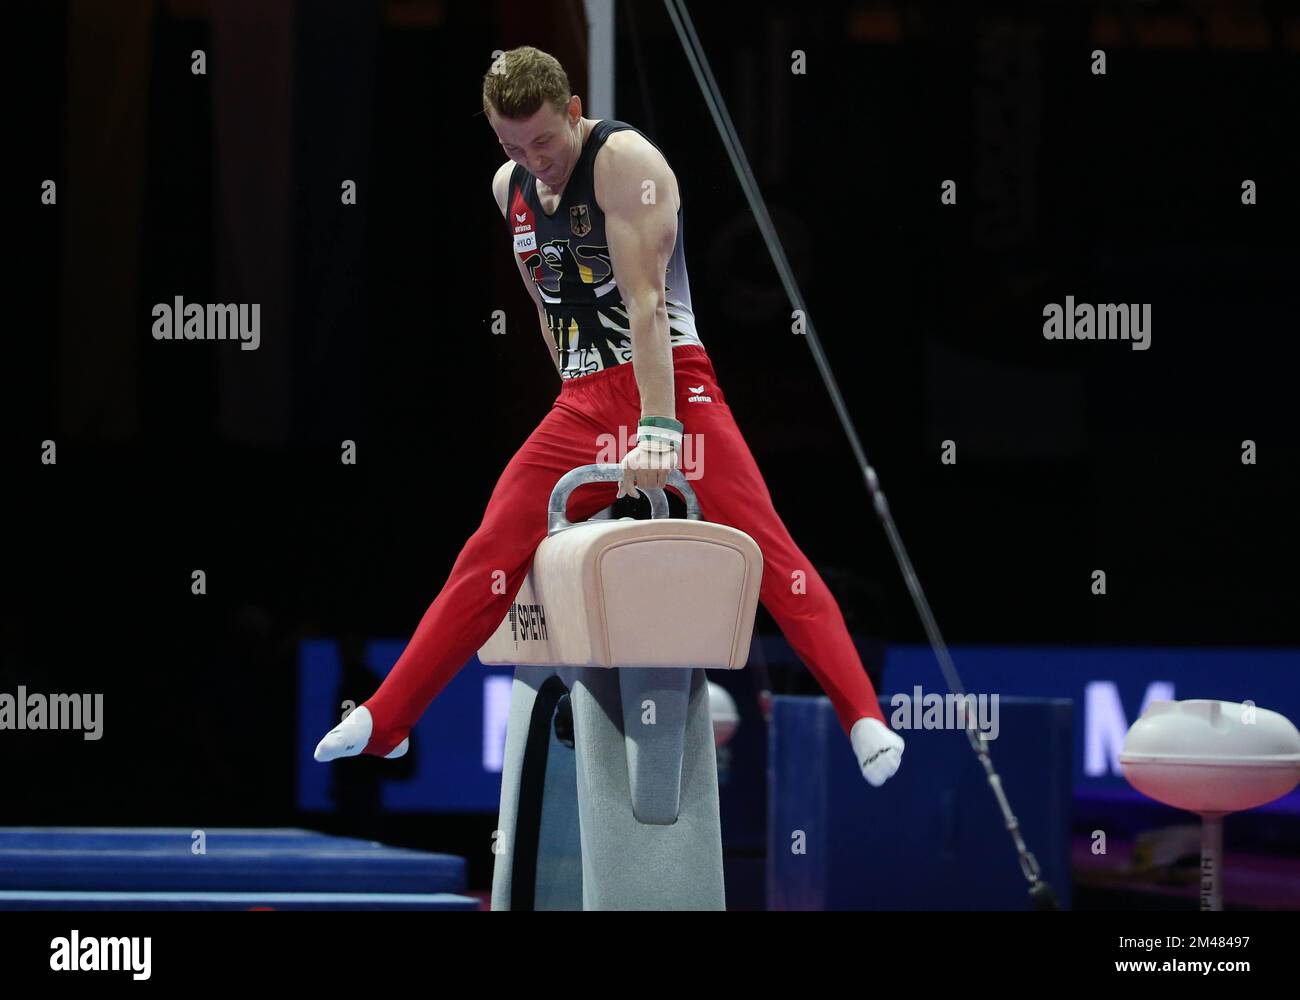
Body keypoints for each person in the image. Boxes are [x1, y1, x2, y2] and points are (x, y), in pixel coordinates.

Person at [315, 45, 904, 787]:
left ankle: (862, 717)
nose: (535, 159)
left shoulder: (627, 162)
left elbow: (647, 302)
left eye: (544, 142)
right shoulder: (510, 187)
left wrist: (659, 427)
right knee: (490, 549)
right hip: (584, 399)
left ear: (573, 113)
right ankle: (388, 721)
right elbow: (545, 309)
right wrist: (573, 399)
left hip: (672, 386)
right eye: (512, 145)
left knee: (764, 547)